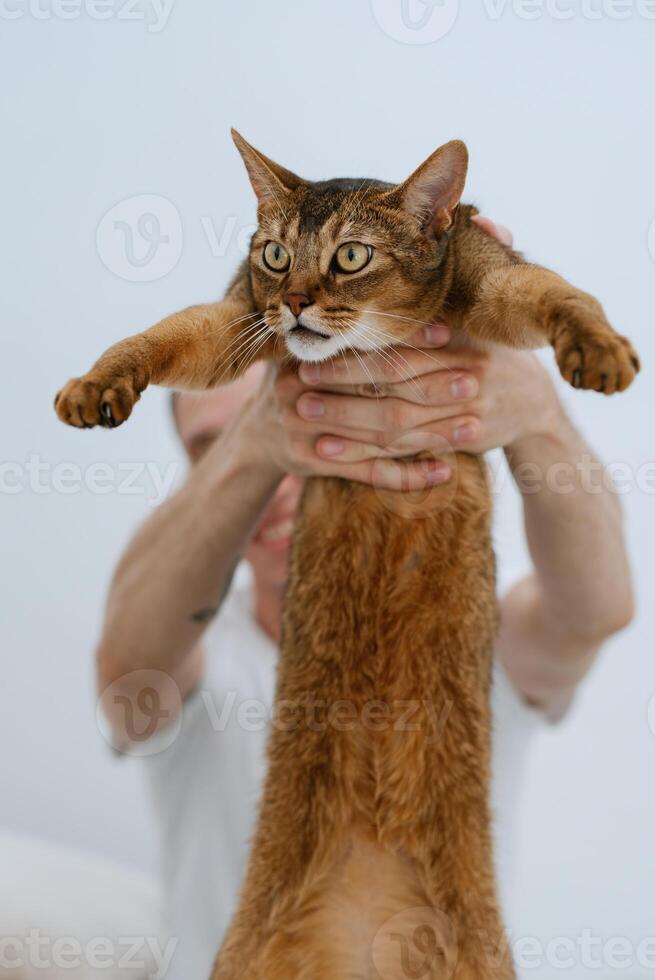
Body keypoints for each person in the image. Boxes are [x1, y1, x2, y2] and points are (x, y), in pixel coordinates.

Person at [96, 219, 634, 979]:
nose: (284, 466)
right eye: (210, 449)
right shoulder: (195, 667)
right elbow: (127, 656)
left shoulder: (479, 653)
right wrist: (257, 440)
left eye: (317, 402)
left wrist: (536, 415)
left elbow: (596, 611)